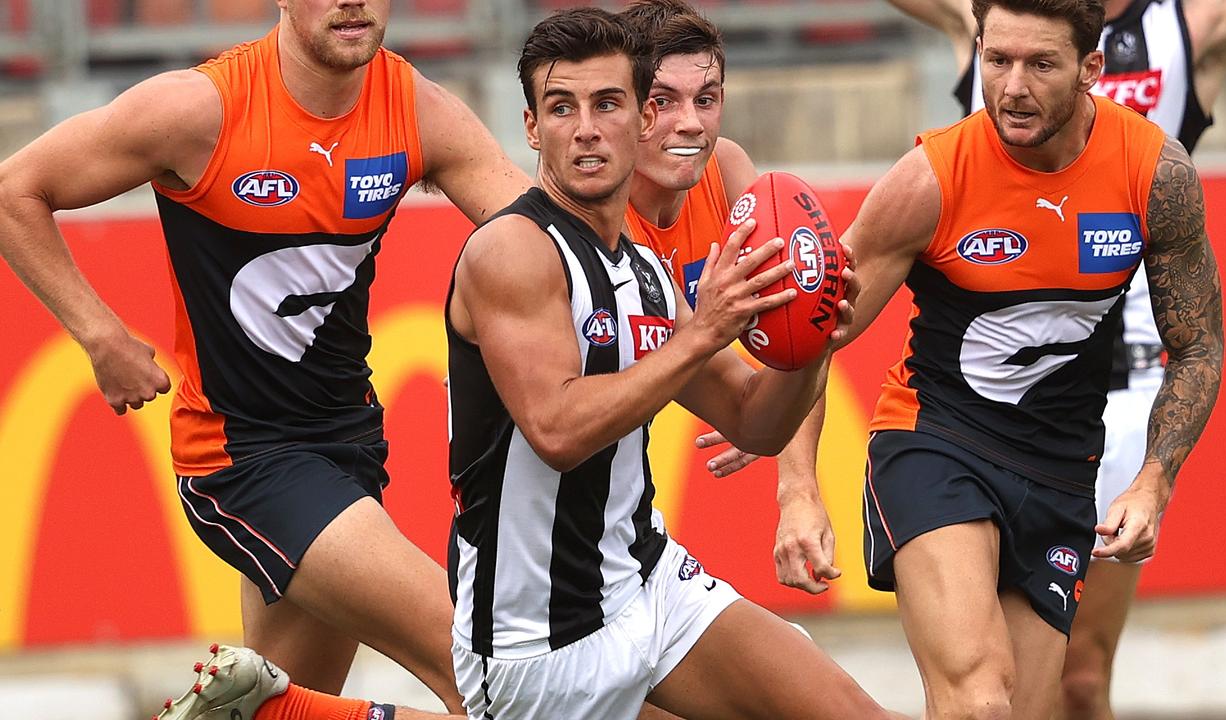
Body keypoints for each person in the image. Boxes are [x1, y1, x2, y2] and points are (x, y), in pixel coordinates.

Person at [0, 1, 530, 718]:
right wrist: (102, 337)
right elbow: (12, 192)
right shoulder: (198, 110)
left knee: (286, 707)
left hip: (349, 447)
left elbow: (545, 247)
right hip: (245, 459)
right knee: (481, 667)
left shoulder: (417, 109)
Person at [445, 8, 891, 719]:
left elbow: (755, 421)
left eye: (608, 104)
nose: (587, 128)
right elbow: (556, 432)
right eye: (562, 108)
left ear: (634, 121)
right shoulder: (513, 249)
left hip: (648, 580)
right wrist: (702, 333)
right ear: (532, 128)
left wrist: (814, 344)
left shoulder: (648, 268)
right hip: (540, 639)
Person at [827, 0, 1224, 716]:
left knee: (1050, 703)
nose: (1012, 86)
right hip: (936, 440)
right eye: (997, 59)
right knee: (980, 700)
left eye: (1040, 64)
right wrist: (796, 489)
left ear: (1091, 69)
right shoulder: (929, 177)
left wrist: (1153, 481)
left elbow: (1198, 346)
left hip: (1061, 469)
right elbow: (815, 334)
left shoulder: (1155, 172)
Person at [619, 0, 841, 596]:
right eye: (661, 102)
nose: (691, 123)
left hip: (624, 514)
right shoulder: (589, 218)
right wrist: (731, 385)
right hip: (547, 526)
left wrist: (798, 491)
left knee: (809, 689)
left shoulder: (726, 172)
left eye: (707, 99)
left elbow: (795, 326)